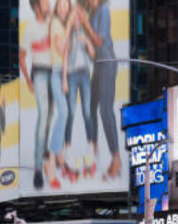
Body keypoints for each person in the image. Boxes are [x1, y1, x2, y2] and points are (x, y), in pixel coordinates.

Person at [78, 0, 120, 181]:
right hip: (98, 64)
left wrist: (86, 24)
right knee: (90, 106)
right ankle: (94, 150)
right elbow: (92, 51)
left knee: (105, 110)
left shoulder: (103, 10)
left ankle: (116, 158)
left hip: (108, 63)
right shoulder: (93, 14)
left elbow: (100, 41)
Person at [19, 0, 53, 189]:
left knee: (53, 114)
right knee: (44, 115)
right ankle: (38, 169)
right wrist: (28, 80)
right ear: (37, 7)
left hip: (55, 73)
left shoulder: (53, 24)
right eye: (45, 3)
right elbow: (22, 56)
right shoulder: (31, 29)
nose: (48, 6)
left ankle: (46, 148)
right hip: (39, 72)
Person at [64, 0, 95, 177]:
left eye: (78, 17)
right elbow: (65, 55)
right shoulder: (67, 34)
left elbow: (92, 54)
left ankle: (90, 147)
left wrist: (87, 43)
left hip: (84, 73)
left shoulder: (86, 33)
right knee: (70, 112)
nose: (76, 20)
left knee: (87, 111)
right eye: (73, 17)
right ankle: (67, 149)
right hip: (71, 74)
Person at [47, 0, 75, 186]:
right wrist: (64, 78)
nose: (63, 9)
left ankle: (59, 158)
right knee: (63, 113)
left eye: (66, 6)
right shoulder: (57, 24)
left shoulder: (61, 25)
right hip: (57, 73)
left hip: (63, 72)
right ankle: (51, 158)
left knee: (66, 114)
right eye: (60, 6)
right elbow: (62, 50)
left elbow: (68, 53)